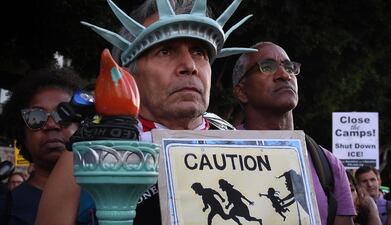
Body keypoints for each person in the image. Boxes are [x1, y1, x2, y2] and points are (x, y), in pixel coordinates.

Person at [36, 0, 254, 225]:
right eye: (165, 51)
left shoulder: (238, 142)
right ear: (129, 74)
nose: (190, 65)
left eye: (199, 52)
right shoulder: (91, 149)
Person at [231, 41, 356, 225]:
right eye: (267, 67)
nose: (284, 75)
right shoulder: (218, 155)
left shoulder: (328, 164)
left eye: (289, 67)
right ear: (241, 91)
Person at [1, 66, 97, 225]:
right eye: (35, 117)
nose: (52, 124)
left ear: (82, 123)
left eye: (64, 113)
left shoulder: (109, 192)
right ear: (22, 132)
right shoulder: (7, 208)